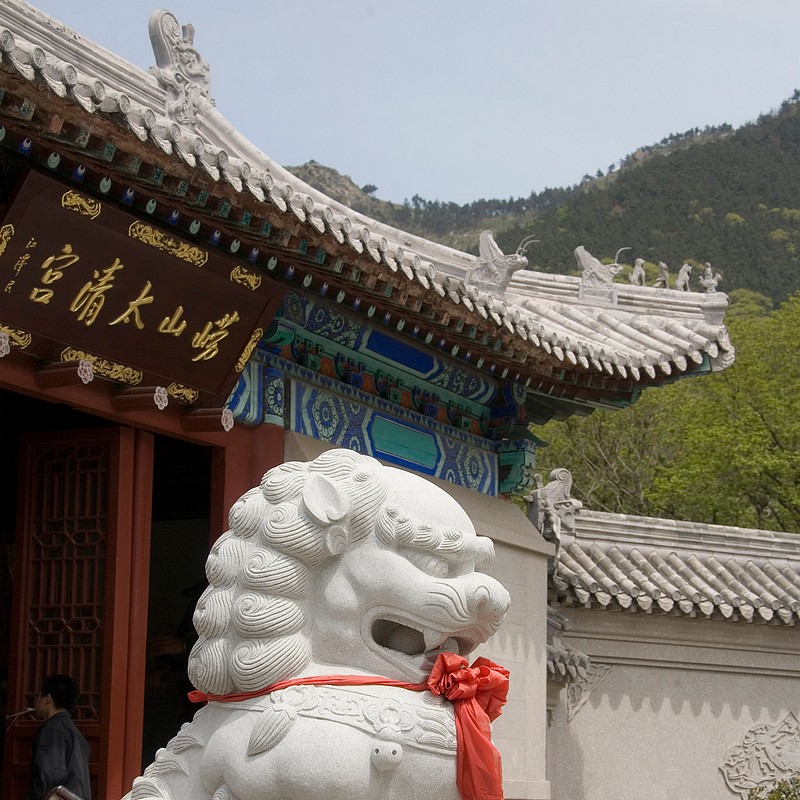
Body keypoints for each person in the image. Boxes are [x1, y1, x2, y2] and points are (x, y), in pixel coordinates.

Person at [26, 675, 91, 800]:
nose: (37, 700)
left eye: (39, 695)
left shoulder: (52, 730)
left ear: (48, 698)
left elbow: (50, 777)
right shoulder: (76, 734)